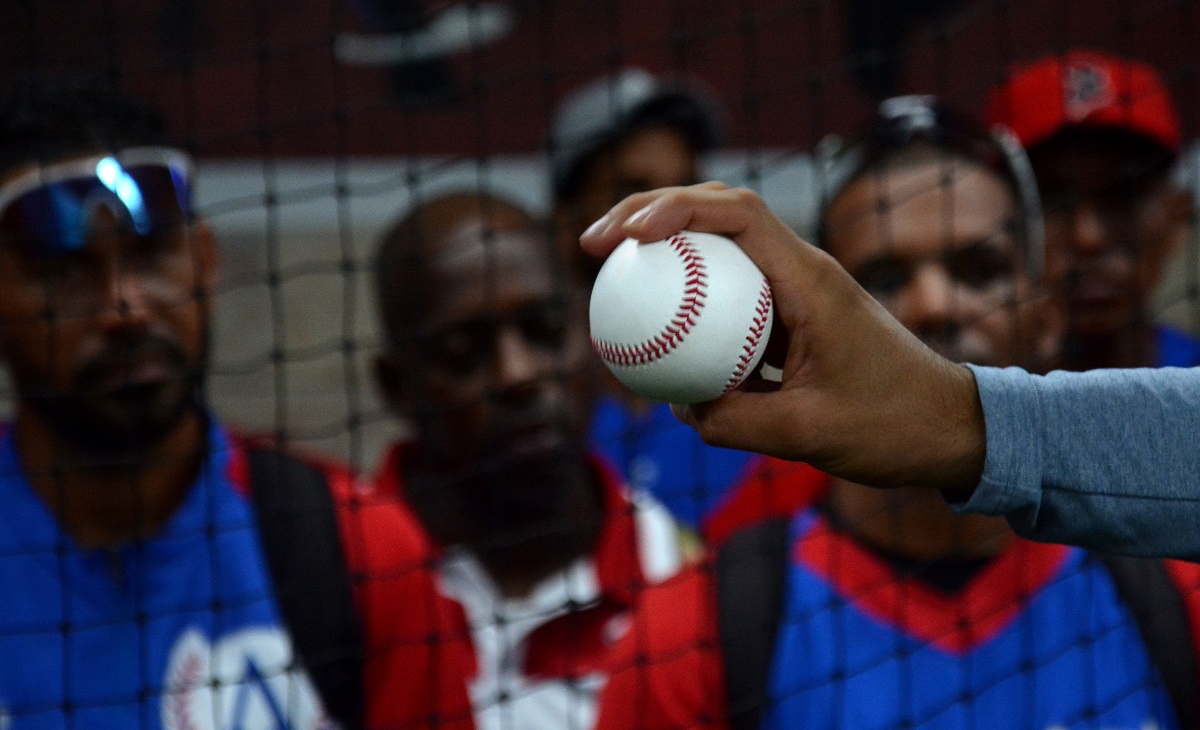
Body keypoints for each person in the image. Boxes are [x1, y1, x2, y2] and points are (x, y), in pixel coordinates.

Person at [595, 97, 1200, 730]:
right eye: (882, 279)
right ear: (808, 328)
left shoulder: (1175, 586)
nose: (934, 305)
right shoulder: (695, 631)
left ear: (1048, 317)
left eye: (979, 269)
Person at [0, 79, 471, 730]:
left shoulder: (360, 550)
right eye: (65, 270)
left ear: (205, 258)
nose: (125, 307)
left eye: (152, 253)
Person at [369, 189, 684, 730]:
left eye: (545, 332)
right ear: (397, 387)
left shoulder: (676, 572)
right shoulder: (332, 572)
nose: (517, 374)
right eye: (462, 354)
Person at [551, 67, 813, 542]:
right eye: (633, 191)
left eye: (686, 187)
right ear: (566, 224)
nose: (669, 218)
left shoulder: (774, 398)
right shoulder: (535, 417)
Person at [985, 49, 1198, 370]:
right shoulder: (953, 399)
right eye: (1050, 198)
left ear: (1178, 217)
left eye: (1124, 195)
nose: (1089, 238)